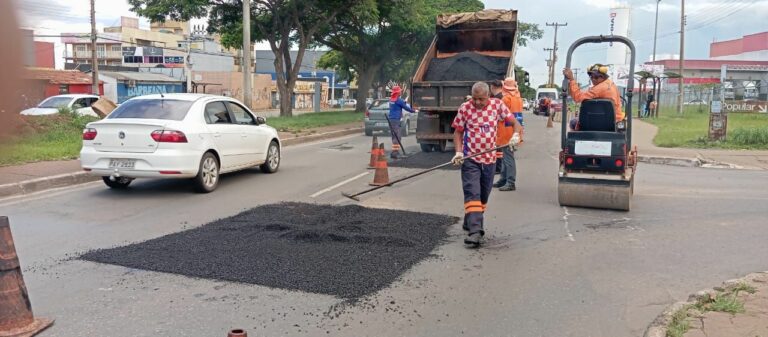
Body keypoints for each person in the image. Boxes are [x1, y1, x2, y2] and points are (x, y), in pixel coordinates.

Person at [451, 82, 521, 247]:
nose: (477, 103)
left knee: (483, 197)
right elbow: (457, 132)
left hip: (489, 160)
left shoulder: (498, 105)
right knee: (472, 193)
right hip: (471, 159)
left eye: (481, 99)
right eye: (475, 99)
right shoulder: (465, 108)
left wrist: (516, 135)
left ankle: (470, 219)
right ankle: (475, 231)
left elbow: (514, 122)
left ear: (488, 96)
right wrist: (459, 152)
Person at [494, 77, 524, 191]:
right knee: (506, 157)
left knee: (508, 158)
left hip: (507, 132)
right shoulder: (518, 98)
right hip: (516, 131)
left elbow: (501, 116)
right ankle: (503, 179)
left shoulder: (505, 99)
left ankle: (510, 182)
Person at [388, 85, 415, 158]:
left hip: (391, 120)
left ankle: (395, 151)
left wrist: (404, 102)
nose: (400, 92)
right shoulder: (398, 100)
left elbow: (401, 104)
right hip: (396, 120)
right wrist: (414, 110)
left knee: (394, 136)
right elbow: (406, 107)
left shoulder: (391, 100)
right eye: (399, 91)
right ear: (397, 92)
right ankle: (395, 152)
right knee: (397, 136)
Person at [489, 80, 504, 174]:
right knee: (500, 148)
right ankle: (499, 167)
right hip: (503, 127)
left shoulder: (497, 100)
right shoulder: (504, 97)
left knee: (498, 148)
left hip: (499, 127)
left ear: (492, 87)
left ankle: (498, 167)